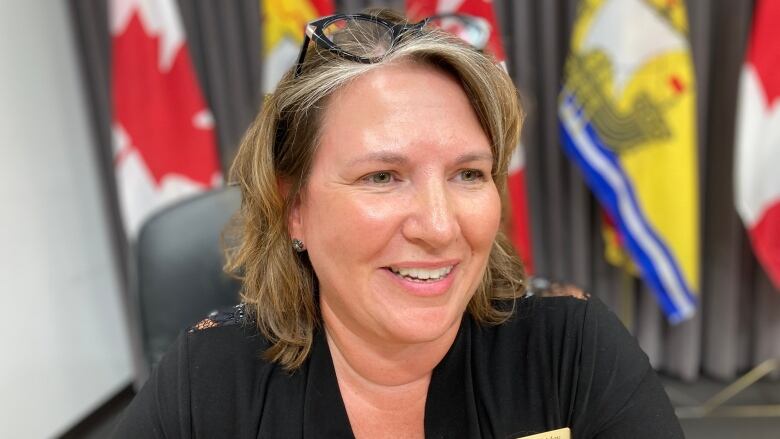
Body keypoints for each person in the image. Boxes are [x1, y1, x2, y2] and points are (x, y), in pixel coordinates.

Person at [113, 9, 684, 438]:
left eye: (468, 174)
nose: (439, 227)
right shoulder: (207, 383)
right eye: (382, 176)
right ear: (294, 208)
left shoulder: (571, 353)